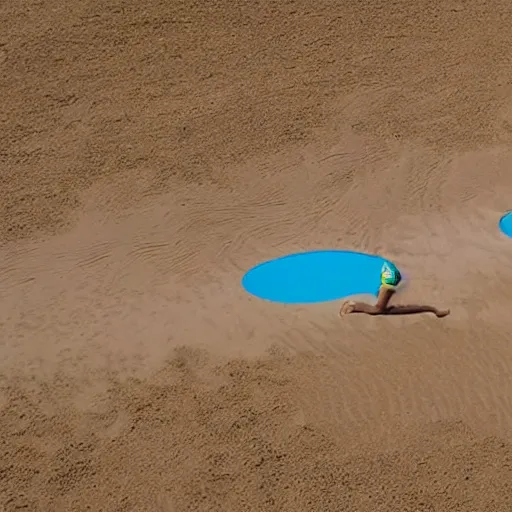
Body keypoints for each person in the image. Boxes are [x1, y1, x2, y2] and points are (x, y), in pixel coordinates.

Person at [339, 260, 450, 317]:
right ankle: (352, 305)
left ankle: (353, 306)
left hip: (391, 277)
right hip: (391, 278)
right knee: (379, 309)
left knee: (381, 309)